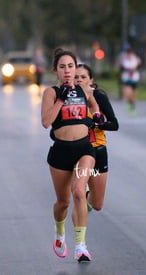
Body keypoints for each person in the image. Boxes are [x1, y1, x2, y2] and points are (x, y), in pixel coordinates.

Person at [41, 48, 101, 263]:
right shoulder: (51, 93)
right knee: (63, 203)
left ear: (76, 69)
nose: (67, 71)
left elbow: (95, 108)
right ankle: (59, 234)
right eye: (62, 67)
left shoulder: (84, 90)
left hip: (85, 149)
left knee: (78, 190)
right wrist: (61, 100)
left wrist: (97, 116)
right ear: (55, 71)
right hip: (60, 152)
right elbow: (46, 122)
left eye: (71, 66)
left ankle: (81, 246)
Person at [75, 64, 119, 213]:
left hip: (98, 149)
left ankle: (87, 194)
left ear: (90, 80)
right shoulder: (69, 98)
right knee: (78, 192)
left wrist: (98, 123)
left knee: (97, 205)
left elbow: (114, 124)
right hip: (78, 152)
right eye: (76, 77)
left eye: (83, 77)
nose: (79, 80)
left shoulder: (99, 96)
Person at [119, 45, 141, 116]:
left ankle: (132, 106)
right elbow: (124, 66)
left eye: (130, 53)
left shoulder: (135, 59)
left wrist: (134, 66)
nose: (129, 55)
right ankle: (130, 104)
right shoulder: (124, 60)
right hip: (127, 79)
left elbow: (136, 65)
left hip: (134, 79)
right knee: (129, 93)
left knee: (133, 95)